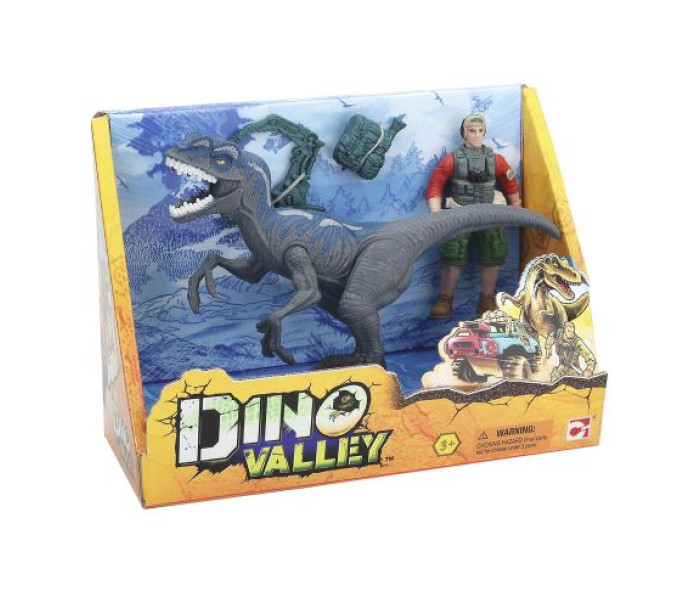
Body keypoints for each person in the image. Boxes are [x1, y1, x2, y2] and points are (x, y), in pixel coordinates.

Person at [426, 114, 522, 318]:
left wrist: (517, 207)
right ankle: (445, 299)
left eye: (480, 131)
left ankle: (487, 299)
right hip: (461, 211)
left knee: (494, 252)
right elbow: (435, 185)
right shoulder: (452, 160)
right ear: (464, 132)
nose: (476, 135)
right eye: (472, 131)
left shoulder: (496, 160)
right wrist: (436, 214)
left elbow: (510, 183)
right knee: (452, 254)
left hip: (489, 211)